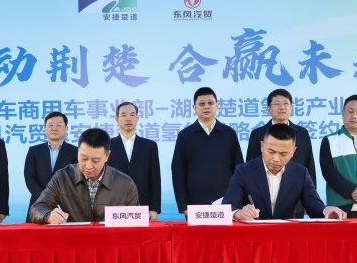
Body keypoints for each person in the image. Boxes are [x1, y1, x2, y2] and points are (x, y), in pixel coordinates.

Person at [223, 123, 346, 221]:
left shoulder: (300, 173)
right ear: (262, 146)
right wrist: (238, 213)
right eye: (271, 151)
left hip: (285, 236)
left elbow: (313, 204)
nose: (276, 159)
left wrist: (326, 210)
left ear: (293, 152)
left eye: (283, 154)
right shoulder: (244, 171)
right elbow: (228, 205)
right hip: (253, 236)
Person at [30, 128, 139, 224]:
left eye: (95, 160)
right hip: (74, 238)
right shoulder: (63, 177)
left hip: (111, 239)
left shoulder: (125, 184)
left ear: (107, 156)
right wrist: (48, 216)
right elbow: (37, 208)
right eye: (84, 158)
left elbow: (136, 219)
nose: (88, 166)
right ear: (78, 151)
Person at [171, 87, 243, 216]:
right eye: (202, 104)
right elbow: (178, 172)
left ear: (217, 106)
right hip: (195, 203)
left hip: (225, 202)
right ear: (194, 107)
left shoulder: (229, 134)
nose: (206, 107)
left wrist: (237, 200)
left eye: (210, 103)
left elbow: (239, 168)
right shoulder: (185, 135)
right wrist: (183, 206)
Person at [246, 88, 316, 218]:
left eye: (286, 103)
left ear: (291, 107)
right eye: (277, 104)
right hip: (264, 202)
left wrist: (310, 199)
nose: (282, 107)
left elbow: (309, 164)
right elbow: (250, 168)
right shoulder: (258, 134)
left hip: (296, 199)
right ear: (269, 109)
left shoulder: (302, 133)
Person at [108, 102, 161, 220]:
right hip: (114, 206)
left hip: (143, 205)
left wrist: (154, 208)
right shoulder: (107, 145)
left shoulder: (150, 146)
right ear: (117, 119)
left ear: (137, 118)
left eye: (132, 115)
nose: (128, 118)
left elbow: (155, 179)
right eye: (123, 115)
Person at [23, 111, 77, 222]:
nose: (54, 128)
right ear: (45, 129)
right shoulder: (34, 151)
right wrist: (45, 198)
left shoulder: (75, 151)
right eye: (50, 125)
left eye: (59, 125)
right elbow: (30, 178)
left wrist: (59, 199)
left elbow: (75, 178)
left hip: (66, 206)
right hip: (38, 206)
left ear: (66, 129)